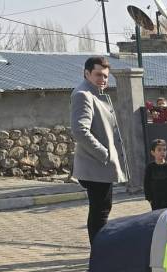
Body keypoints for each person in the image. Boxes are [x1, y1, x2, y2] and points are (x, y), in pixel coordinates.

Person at [71, 56, 127, 243]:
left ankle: (100, 252)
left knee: (101, 210)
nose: (103, 79)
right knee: (100, 213)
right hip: (96, 166)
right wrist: (104, 153)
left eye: (105, 76)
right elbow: (80, 131)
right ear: (87, 73)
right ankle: (99, 254)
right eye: (98, 75)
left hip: (99, 166)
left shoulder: (94, 93)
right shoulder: (83, 94)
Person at [144, 139, 167, 210]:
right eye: (159, 150)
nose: (162, 152)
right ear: (153, 152)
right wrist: (150, 199)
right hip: (156, 202)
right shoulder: (150, 168)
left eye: (164, 150)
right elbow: (147, 184)